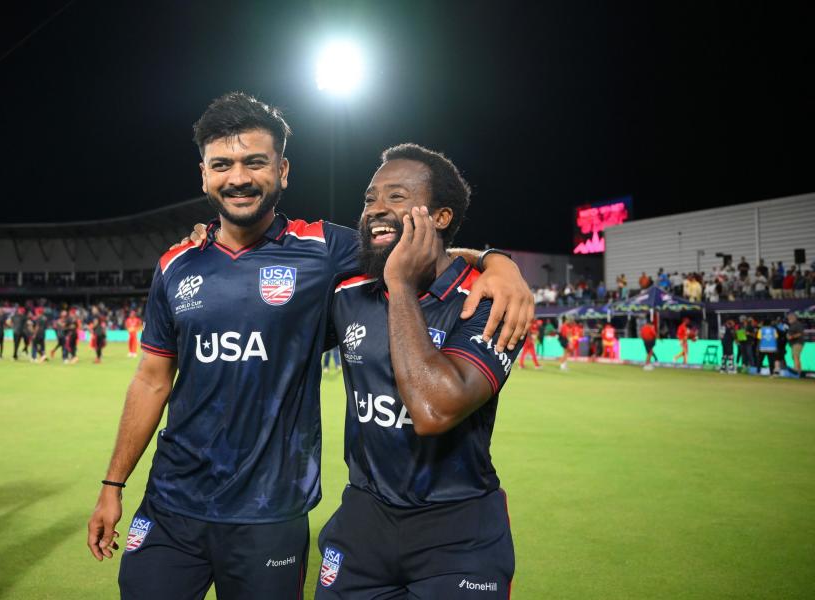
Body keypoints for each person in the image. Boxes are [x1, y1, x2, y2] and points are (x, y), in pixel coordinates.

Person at [86, 93, 534, 600]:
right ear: (204, 174)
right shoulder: (176, 263)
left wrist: (498, 262)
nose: (238, 177)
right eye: (222, 165)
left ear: (282, 170)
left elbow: (411, 249)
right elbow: (151, 379)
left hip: (271, 512)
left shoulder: (326, 249)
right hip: (170, 502)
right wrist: (113, 483)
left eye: (255, 162)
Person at [316, 144, 518, 598]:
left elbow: (434, 409)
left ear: (440, 218)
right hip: (363, 519)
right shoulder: (348, 293)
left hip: (458, 529)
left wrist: (403, 284)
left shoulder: (488, 302)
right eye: (370, 199)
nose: (376, 210)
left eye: (397, 197)